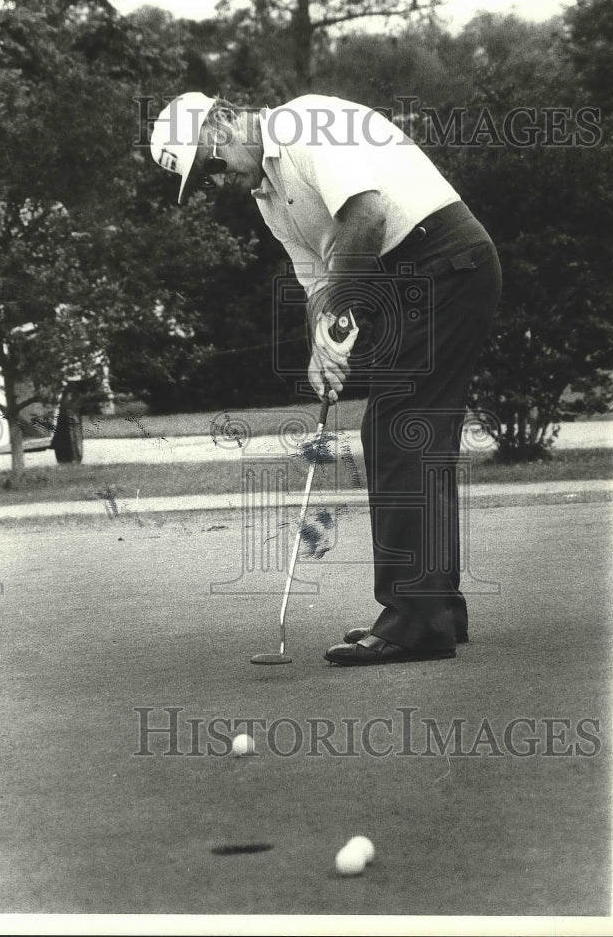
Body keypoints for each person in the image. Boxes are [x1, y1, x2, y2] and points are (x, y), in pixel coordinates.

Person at [150, 91, 502, 666]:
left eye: (209, 165)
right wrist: (323, 341)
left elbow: (365, 214)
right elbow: (316, 276)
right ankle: (436, 610)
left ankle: (415, 622)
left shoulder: (301, 121)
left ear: (220, 122)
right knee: (411, 437)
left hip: (445, 261)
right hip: (409, 277)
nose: (214, 182)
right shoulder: (269, 197)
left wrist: (343, 308)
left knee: (397, 433)